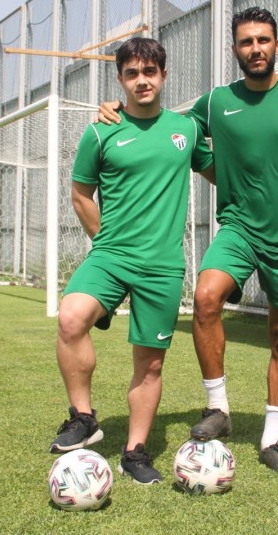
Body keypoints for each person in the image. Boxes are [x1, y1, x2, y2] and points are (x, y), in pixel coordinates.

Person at [98, 7, 278, 475]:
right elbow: (169, 130)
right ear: (235, 49)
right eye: (246, 42)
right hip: (237, 228)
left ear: (277, 45)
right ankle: (218, 407)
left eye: (263, 40)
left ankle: (272, 440)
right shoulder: (217, 102)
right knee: (205, 296)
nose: (255, 49)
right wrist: (118, 110)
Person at [50, 37, 215, 485]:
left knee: (151, 363)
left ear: (163, 75)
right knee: (70, 317)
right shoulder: (101, 130)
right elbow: (81, 195)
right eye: (132, 73)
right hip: (110, 255)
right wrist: (106, 241)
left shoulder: (187, 130)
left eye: (149, 72)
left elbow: (221, 172)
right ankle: (83, 418)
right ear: (121, 79)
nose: (142, 80)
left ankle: (134, 453)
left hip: (162, 266)